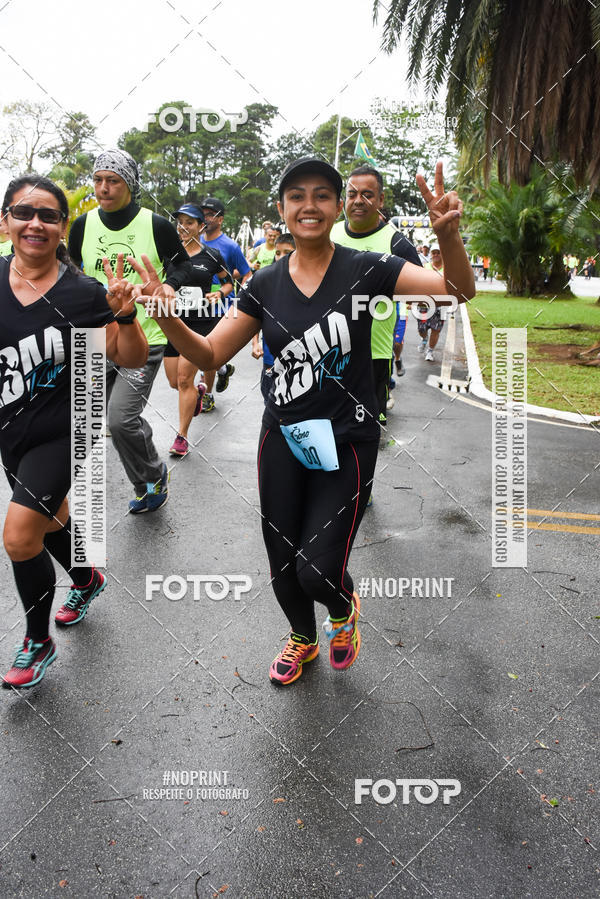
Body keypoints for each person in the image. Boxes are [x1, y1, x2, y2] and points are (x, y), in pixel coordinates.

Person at [138, 156, 474, 687]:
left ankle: (342, 610)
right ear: (282, 209)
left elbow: (455, 292)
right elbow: (206, 355)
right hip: (284, 436)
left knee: (317, 567)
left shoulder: (369, 267)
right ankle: (302, 638)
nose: (309, 205)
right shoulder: (265, 284)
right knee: (281, 555)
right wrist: (167, 316)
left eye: (322, 195)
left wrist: (448, 237)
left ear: (337, 207)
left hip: (350, 438)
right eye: (297, 196)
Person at [0, 175, 148, 689]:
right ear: (6, 222)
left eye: (48, 215)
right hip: (11, 430)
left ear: (64, 227)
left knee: (20, 535)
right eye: (23, 212)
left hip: (68, 428)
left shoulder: (84, 294)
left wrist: (125, 315)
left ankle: (38, 643)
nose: (35, 223)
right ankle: (87, 577)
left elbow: (130, 358)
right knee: (50, 517)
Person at [68, 149, 191, 513]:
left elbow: (186, 267)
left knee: (119, 419)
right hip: (95, 338)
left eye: (113, 181)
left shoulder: (155, 225)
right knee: (92, 418)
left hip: (146, 337)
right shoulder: (82, 226)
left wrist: (167, 285)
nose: (104, 188)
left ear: (130, 184)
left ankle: (151, 479)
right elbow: (71, 271)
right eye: (98, 180)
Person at [330, 164, 421, 435]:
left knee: (368, 433)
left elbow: (425, 294)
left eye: (367, 194)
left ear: (381, 200)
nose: (358, 201)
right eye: (352, 193)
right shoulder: (329, 234)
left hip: (374, 355)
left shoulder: (396, 243)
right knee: (328, 429)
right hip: (327, 350)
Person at [165, 203, 233, 455]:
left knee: (184, 379)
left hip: (200, 324)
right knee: (175, 382)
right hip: (174, 324)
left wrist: (219, 293)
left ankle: (181, 437)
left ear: (200, 227)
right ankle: (196, 393)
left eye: (189, 222)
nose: (182, 227)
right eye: (179, 222)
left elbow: (228, 283)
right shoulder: (169, 254)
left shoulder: (212, 255)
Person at [199, 197, 252, 411]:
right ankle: (222, 370)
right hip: (195, 302)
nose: (204, 218)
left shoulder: (230, 246)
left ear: (220, 219)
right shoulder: (194, 241)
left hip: (221, 304)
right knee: (198, 348)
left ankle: (207, 395)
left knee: (206, 349)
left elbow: (247, 274)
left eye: (209, 214)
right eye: (202, 213)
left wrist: (240, 299)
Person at [251, 233, 295, 403]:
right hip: (270, 360)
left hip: (299, 361)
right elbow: (255, 316)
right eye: (278, 253)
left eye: (287, 252)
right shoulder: (265, 281)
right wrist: (255, 343)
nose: (281, 257)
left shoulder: (310, 283)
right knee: (269, 400)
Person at [418, 244, 446, 361]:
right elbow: (418, 284)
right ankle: (424, 339)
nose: (436, 255)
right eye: (433, 253)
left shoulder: (447, 269)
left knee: (436, 329)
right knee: (422, 329)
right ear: (430, 254)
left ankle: (430, 351)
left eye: (438, 252)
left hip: (441, 305)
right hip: (425, 304)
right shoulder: (425, 266)